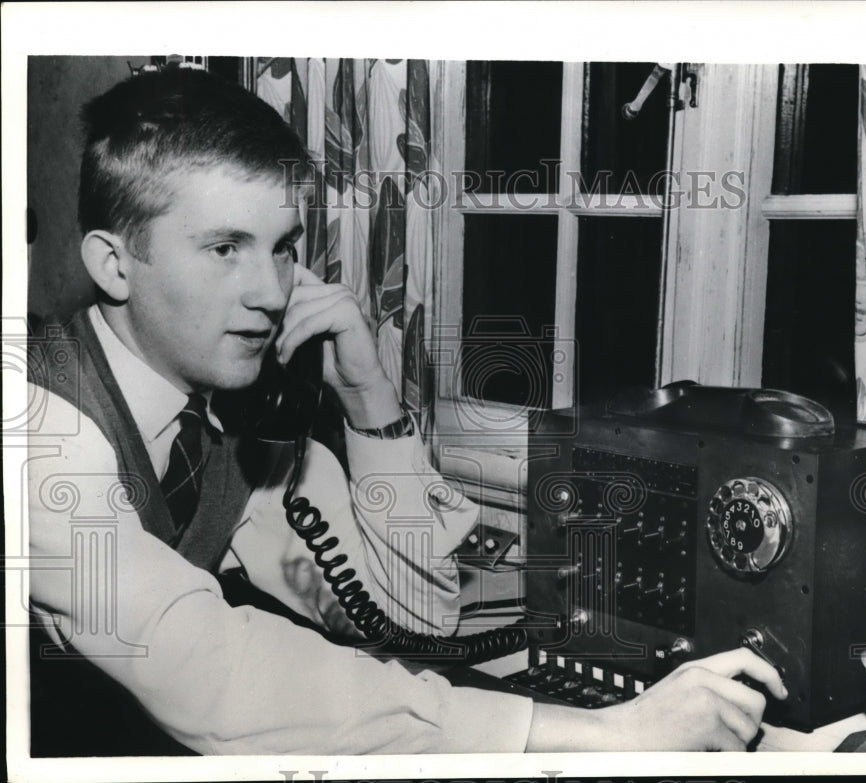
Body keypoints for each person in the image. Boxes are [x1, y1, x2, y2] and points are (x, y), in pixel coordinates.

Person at [26, 66, 786, 757]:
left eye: (284, 246)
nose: (271, 290)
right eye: (226, 247)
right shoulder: (35, 429)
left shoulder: (223, 429)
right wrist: (606, 734)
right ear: (113, 263)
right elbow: (214, 671)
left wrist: (367, 398)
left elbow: (419, 613)